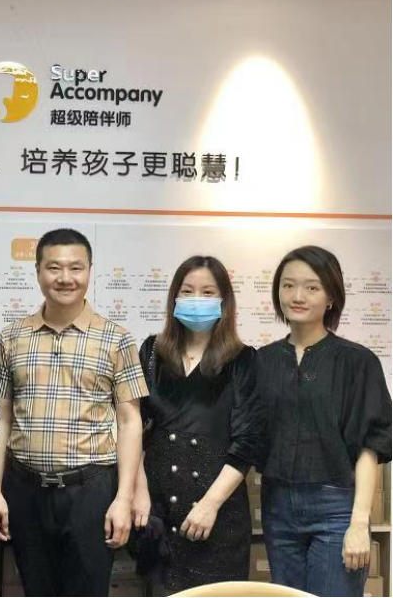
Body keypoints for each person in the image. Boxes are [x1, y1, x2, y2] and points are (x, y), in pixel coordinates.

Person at [0, 228, 147, 597]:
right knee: (35, 589)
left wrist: (124, 497)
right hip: (25, 490)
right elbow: (1, 419)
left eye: (76, 267)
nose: (65, 277)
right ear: (38, 272)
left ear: (89, 271)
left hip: (91, 491)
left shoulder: (116, 339)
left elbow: (129, 422)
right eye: (54, 267)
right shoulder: (12, 338)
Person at [259, 245, 392, 597]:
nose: (297, 296)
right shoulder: (262, 361)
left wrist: (359, 522)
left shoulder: (357, 361)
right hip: (276, 505)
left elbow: (370, 446)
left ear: (331, 296)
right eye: (288, 285)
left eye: (312, 287)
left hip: (336, 507)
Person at [133, 255, 264, 594]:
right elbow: (133, 428)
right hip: (158, 513)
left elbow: (248, 442)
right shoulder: (152, 353)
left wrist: (210, 504)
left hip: (216, 517)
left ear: (224, 301)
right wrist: (139, 492)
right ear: (174, 297)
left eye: (207, 292)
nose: (196, 299)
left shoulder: (244, 360)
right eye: (187, 291)